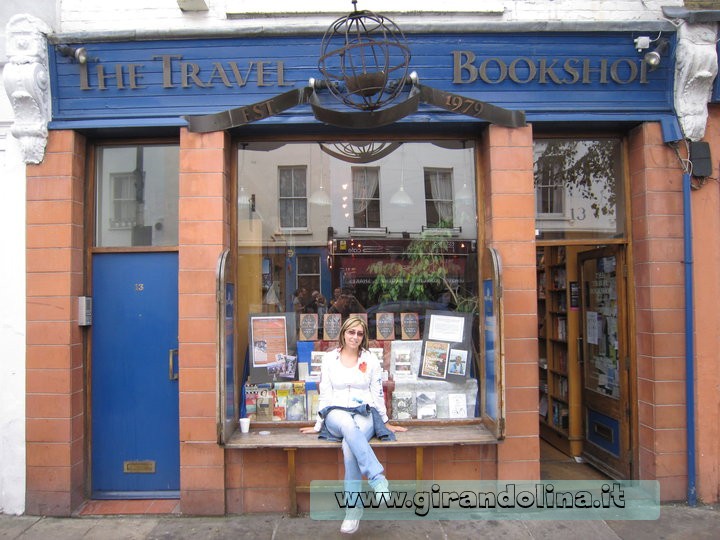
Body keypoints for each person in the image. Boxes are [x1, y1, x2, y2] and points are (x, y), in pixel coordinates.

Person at [300, 315, 406, 535]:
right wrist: (319, 424)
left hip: (364, 413)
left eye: (359, 333)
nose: (355, 337)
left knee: (350, 446)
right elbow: (325, 393)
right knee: (348, 425)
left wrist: (385, 422)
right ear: (343, 333)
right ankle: (377, 478)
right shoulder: (329, 359)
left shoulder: (371, 360)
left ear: (363, 336)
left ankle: (352, 510)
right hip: (336, 413)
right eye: (351, 332)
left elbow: (377, 393)